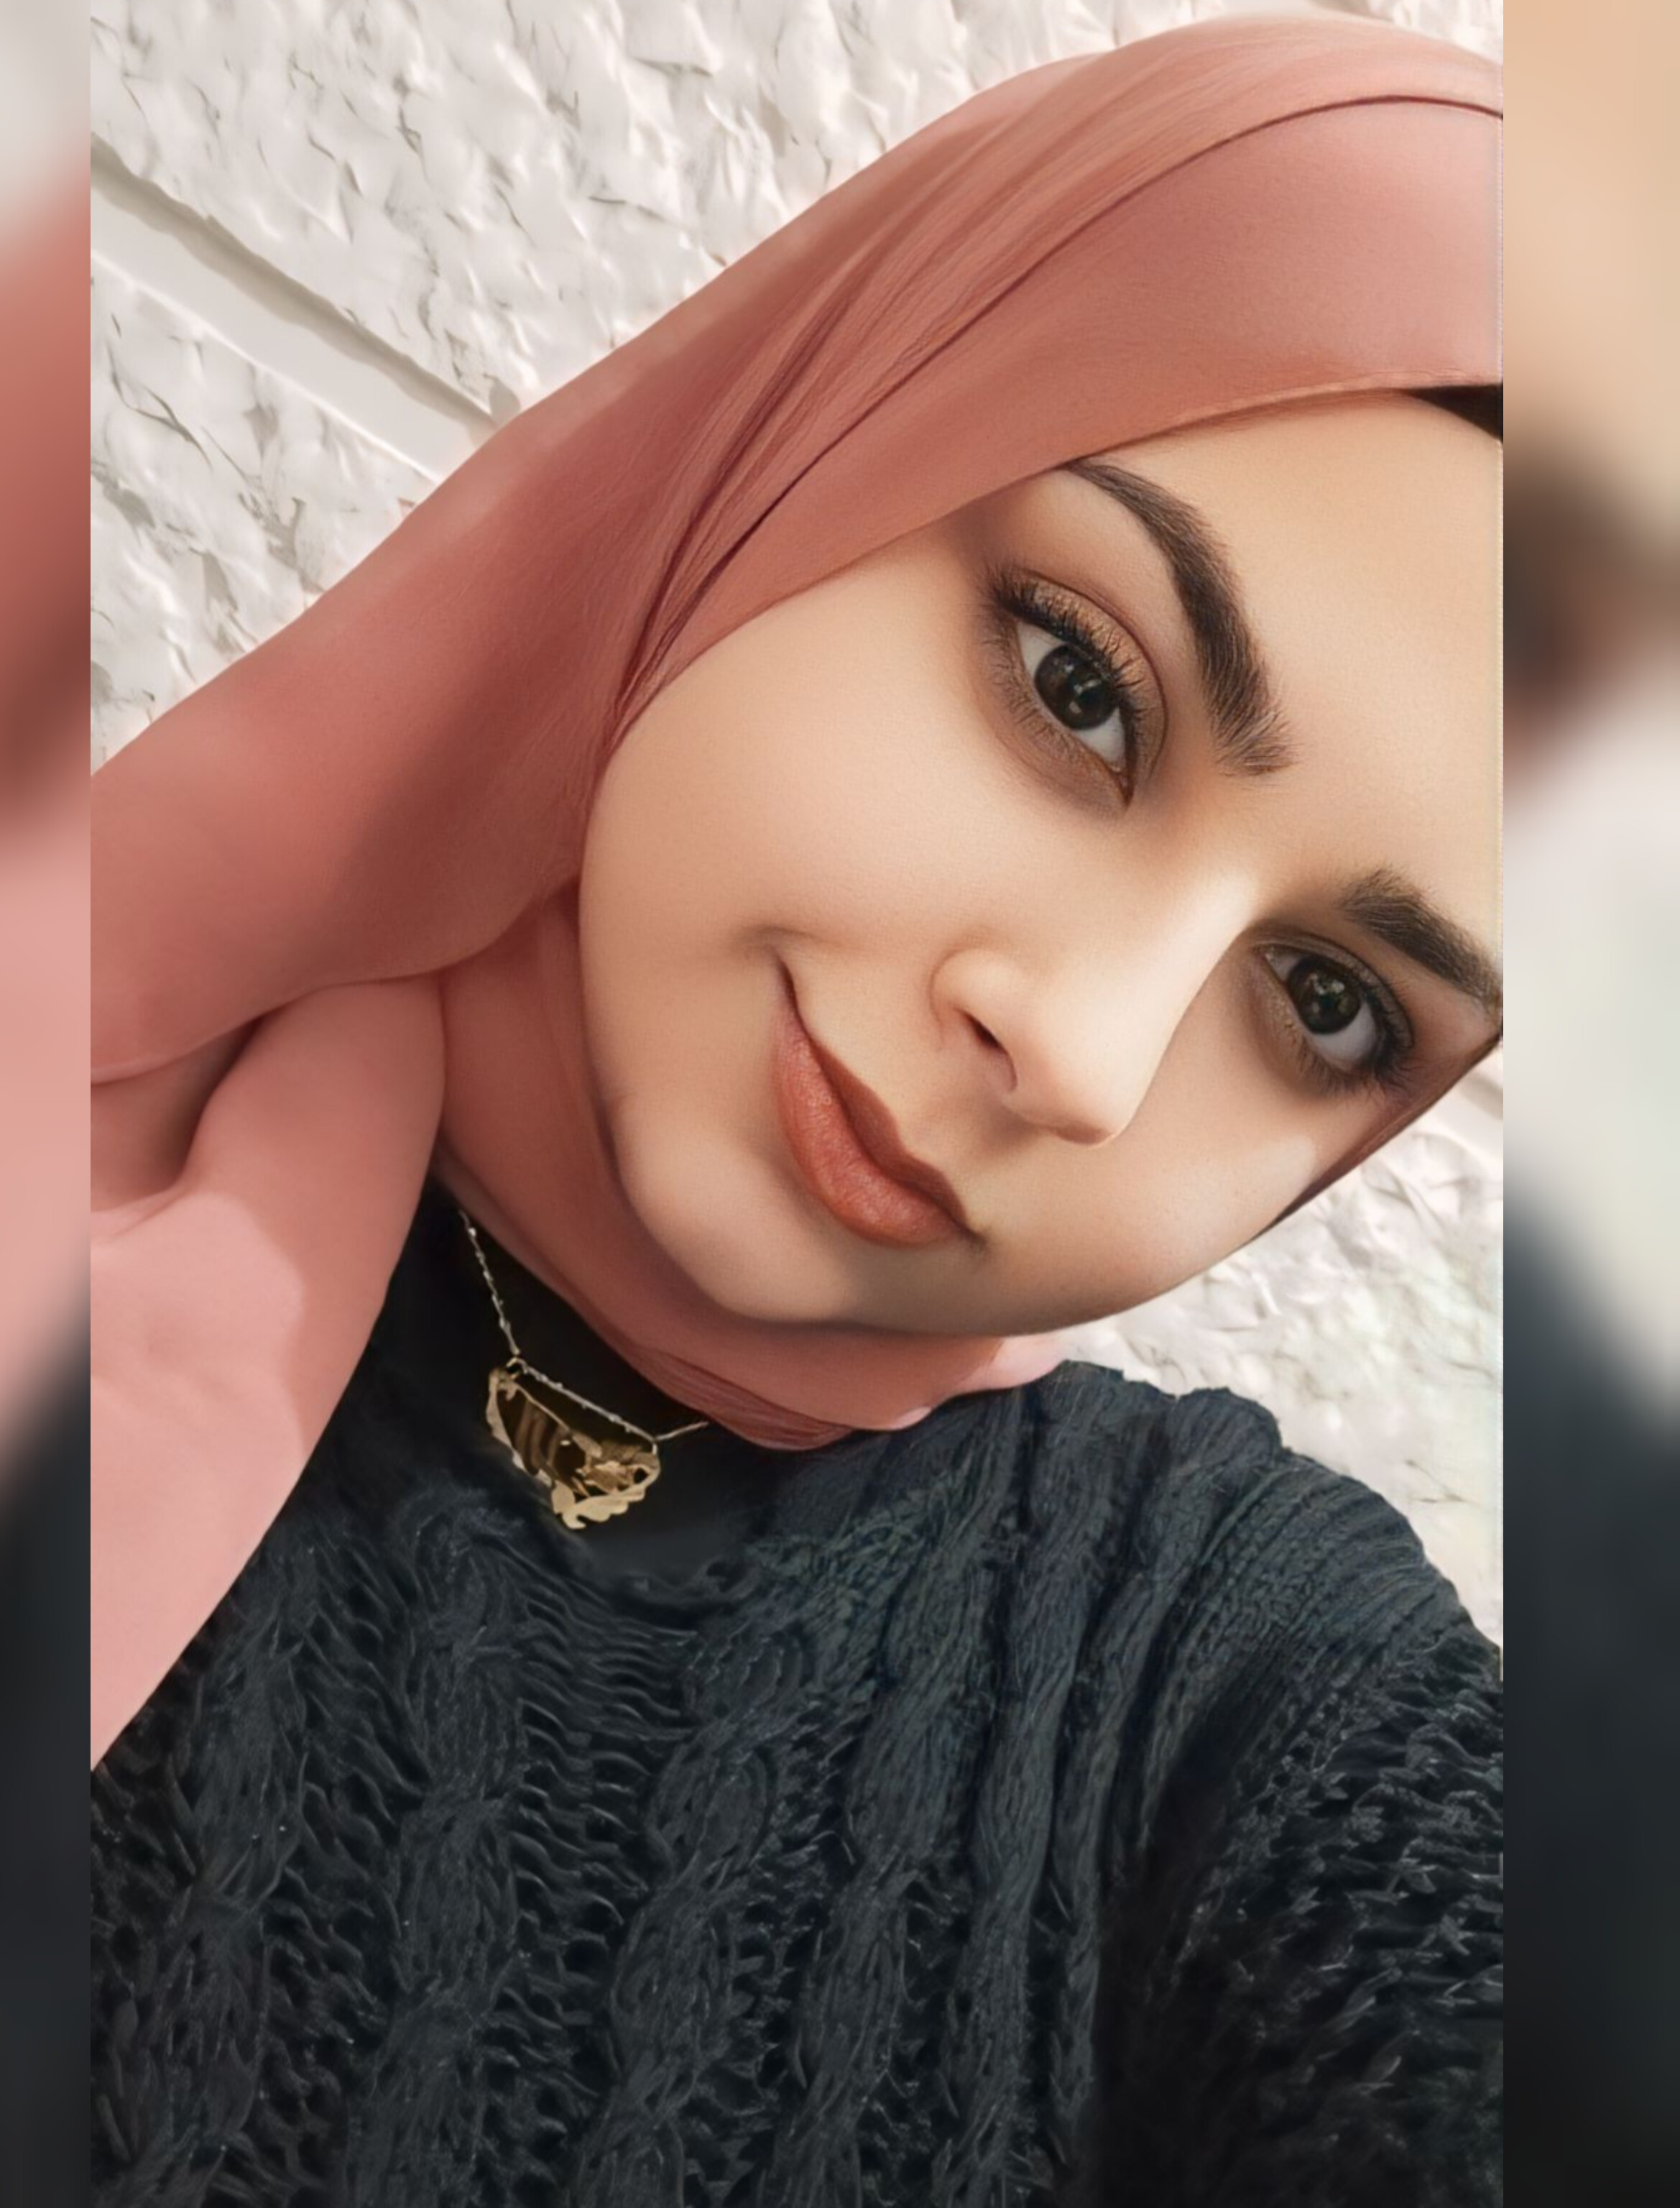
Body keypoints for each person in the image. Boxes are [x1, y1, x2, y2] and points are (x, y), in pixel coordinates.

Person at [91, 17, 1503, 2203]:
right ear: (798, 462)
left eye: (1328, 1005)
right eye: (1079, 687)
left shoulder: (1216, 1677)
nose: (1084, 1055)